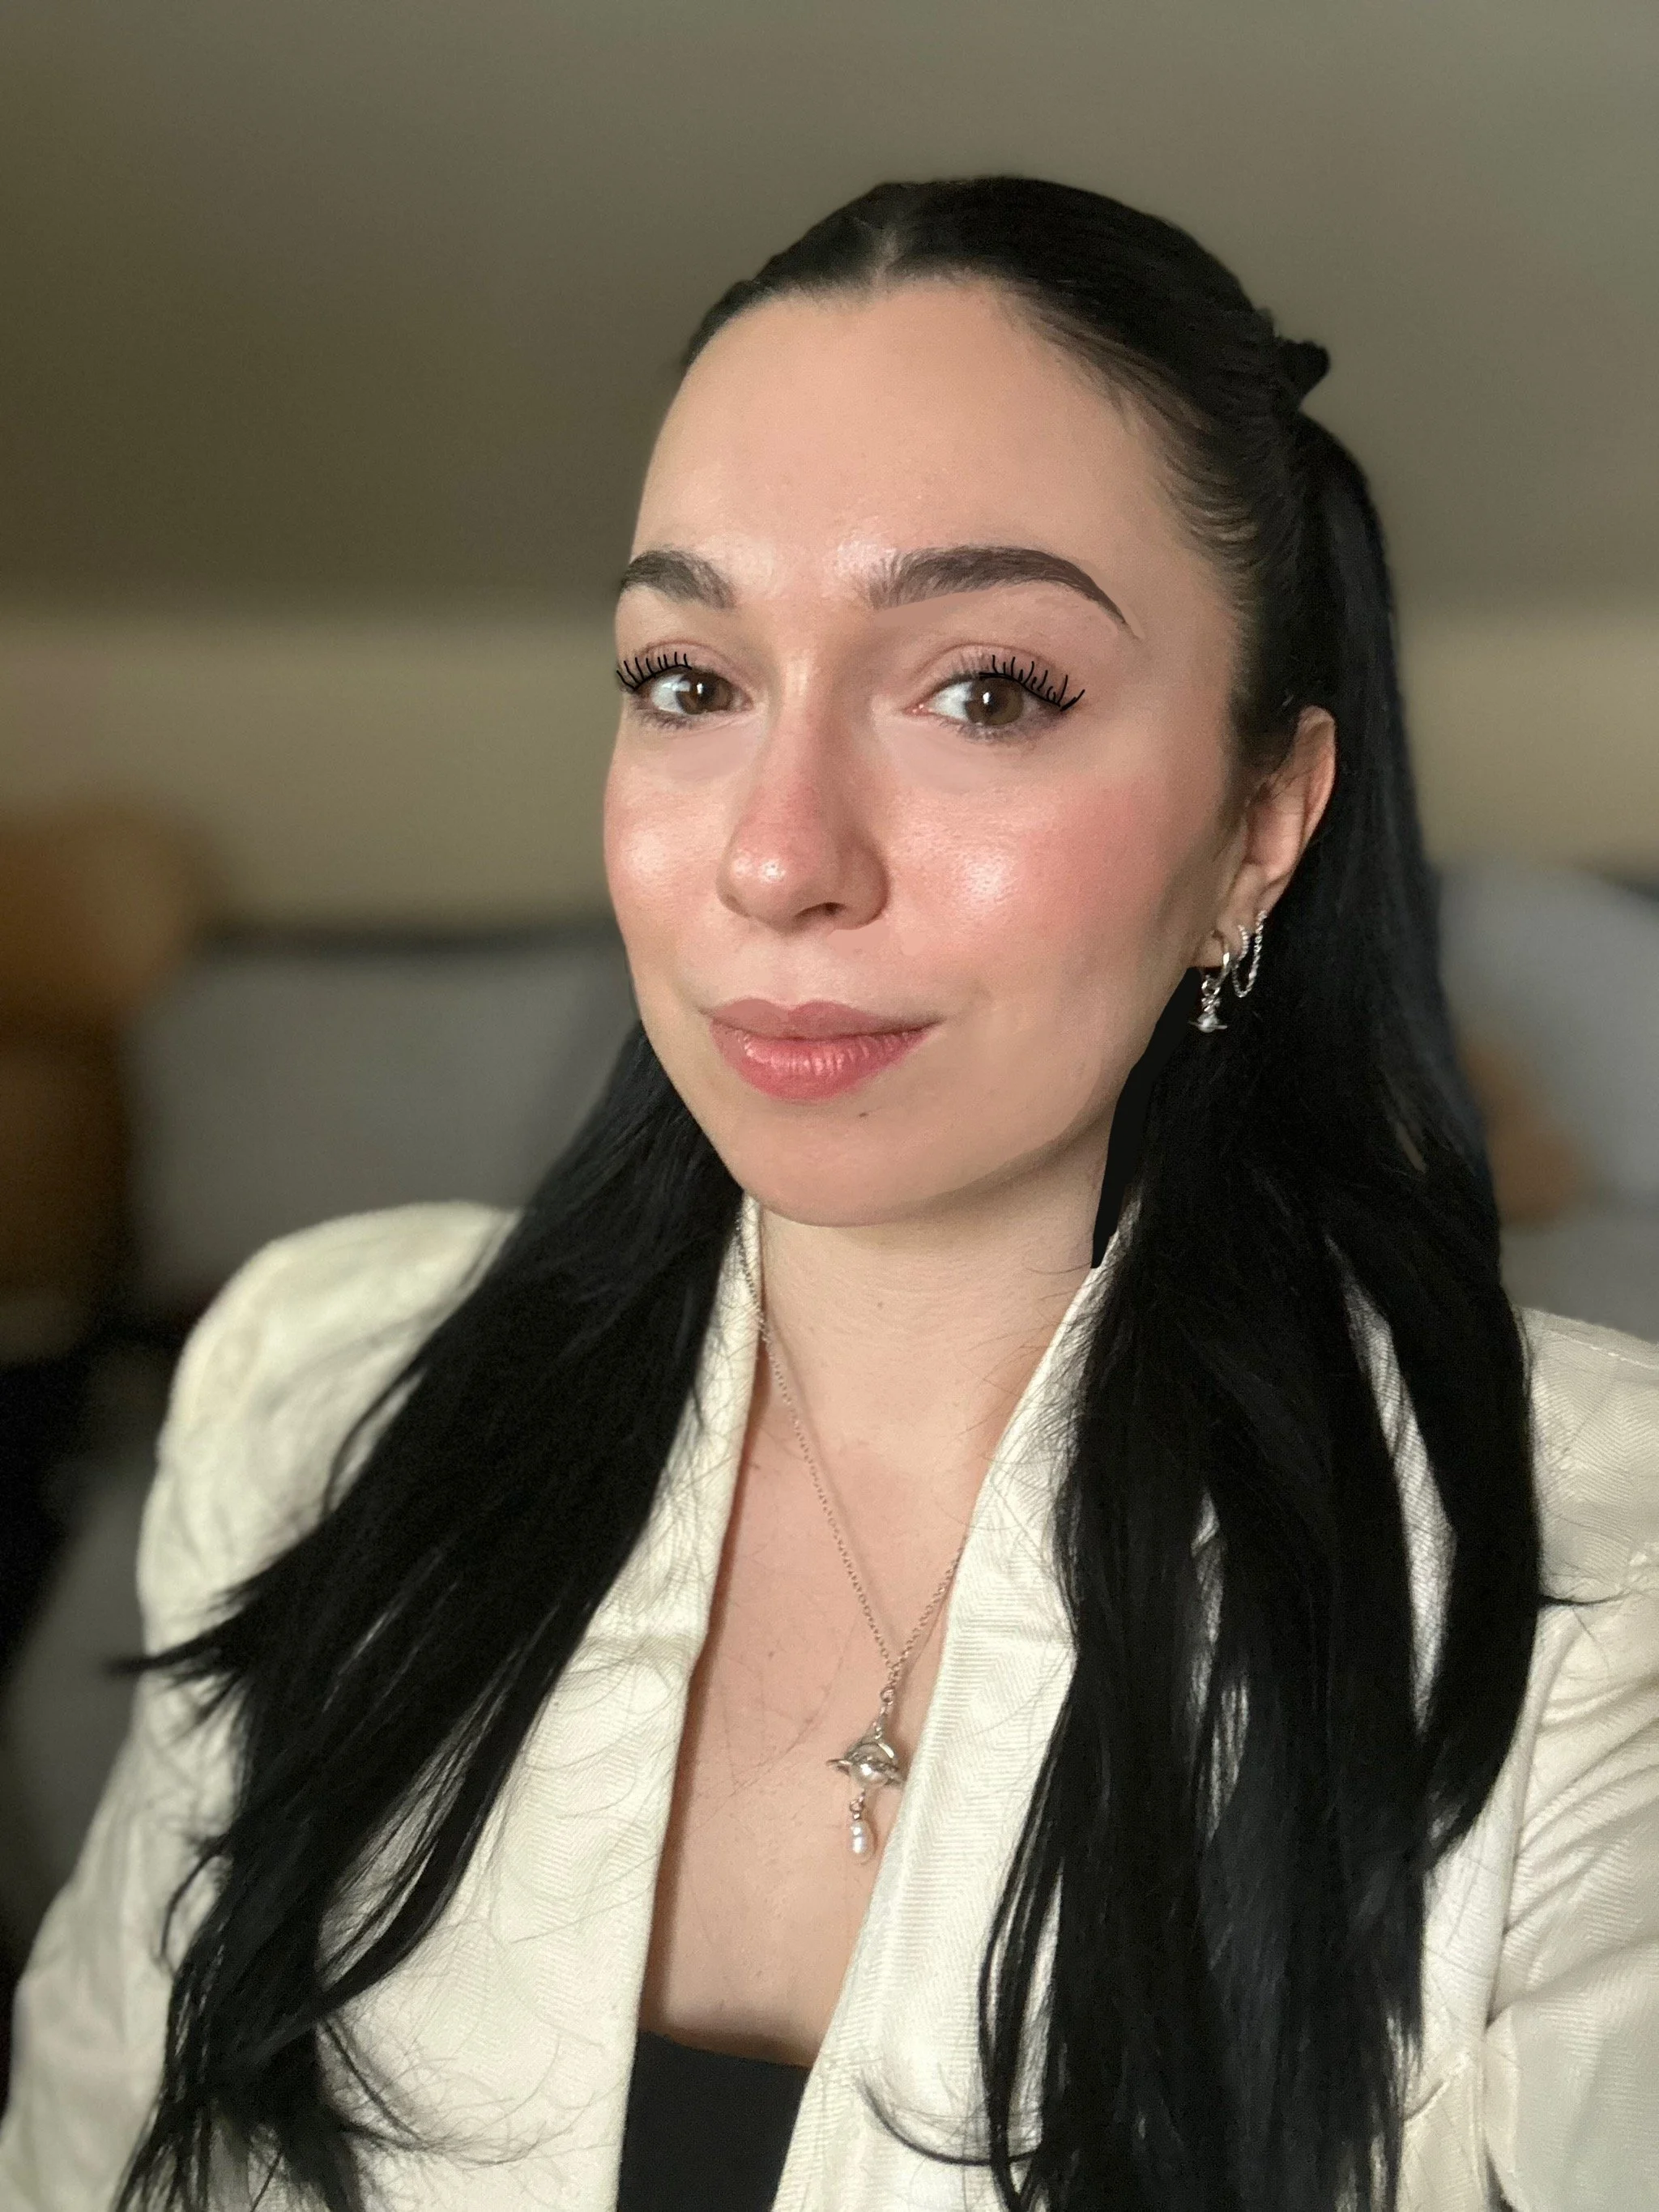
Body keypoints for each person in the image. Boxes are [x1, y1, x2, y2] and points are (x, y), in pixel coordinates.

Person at [3, 175, 1657, 2212]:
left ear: (1261, 821)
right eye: (687, 681)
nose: (777, 860)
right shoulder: (319, 1404)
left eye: (984, 690)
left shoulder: (1597, 1588)